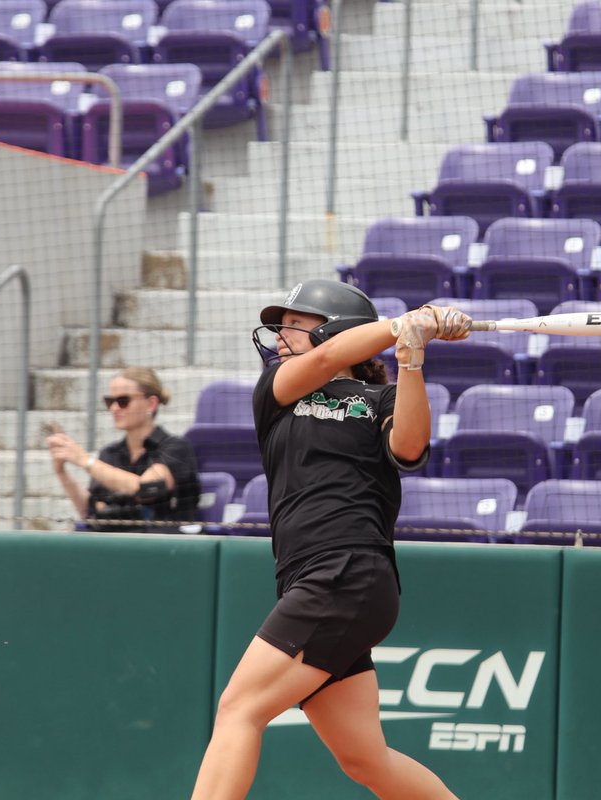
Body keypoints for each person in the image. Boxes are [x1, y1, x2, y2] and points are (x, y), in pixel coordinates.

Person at [190, 279, 470, 800]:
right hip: (316, 579)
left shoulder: (379, 396)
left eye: (296, 324)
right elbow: (324, 362)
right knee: (366, 759)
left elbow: (409, 448)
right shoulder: (278, 390)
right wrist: (405, 322)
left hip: (345, 572)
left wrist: (411, 357)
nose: (280, 335)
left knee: (239, 708)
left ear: (337, 328)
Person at [47, 366, 201, 533]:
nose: (114, 408)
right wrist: (62, 472)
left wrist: (85, 460)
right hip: (117, 542)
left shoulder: (175, 447)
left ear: (151, 403)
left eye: (123, 401)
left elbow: (146, 488)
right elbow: (88, 510)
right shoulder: (110, 453)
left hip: (164, 546)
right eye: (109, 401)